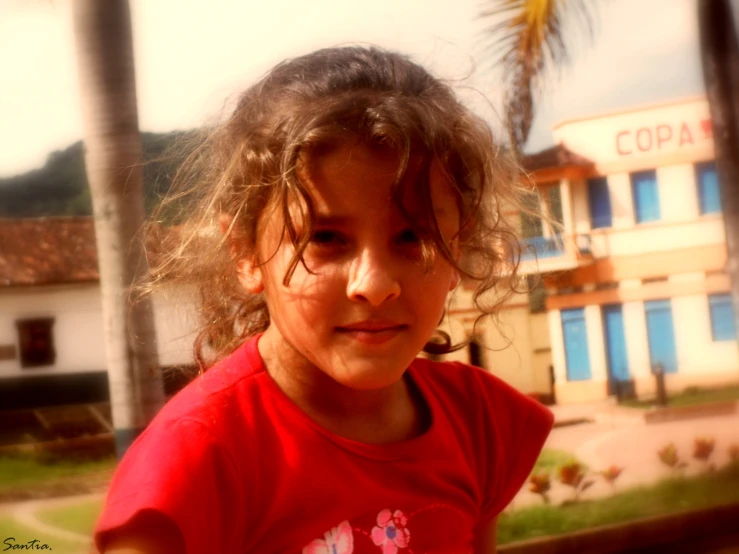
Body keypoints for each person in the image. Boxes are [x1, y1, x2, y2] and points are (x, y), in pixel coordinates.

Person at [95, 45, 554, 554]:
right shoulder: (196, 464)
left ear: (460, 247)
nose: (374, 284)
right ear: (245, 252)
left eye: (412, 238)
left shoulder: (479, 423)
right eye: (326, 238)